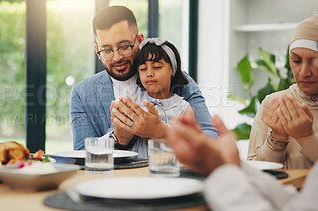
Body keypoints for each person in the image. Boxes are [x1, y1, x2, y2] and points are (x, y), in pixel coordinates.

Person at [70, 5, 217, 152]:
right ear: (97, 50)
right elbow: (81, 154)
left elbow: (213, 140)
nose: (117, 57)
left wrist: (160, 132)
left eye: (124, 46)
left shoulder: (178, 80)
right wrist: (118, 138)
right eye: (107, 50)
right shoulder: (82, 93)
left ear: (139, 40)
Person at [168, 109, 318, 210]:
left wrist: (218, 167)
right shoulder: (271, 104)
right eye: (297, 60)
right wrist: (233, 165)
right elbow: (297, 204)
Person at [248, 14, 318, 169]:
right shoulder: (274, 104)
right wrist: (277, 139)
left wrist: (307, 137)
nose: (304, 72)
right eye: (296, 60)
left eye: (314, 61)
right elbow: (254, 174)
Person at [112, 37, 191, 157]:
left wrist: (153, 132)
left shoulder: (183, 108)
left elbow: (188, 148)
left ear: (172, 70)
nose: (149, 73)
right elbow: (118, 145)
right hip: (134, 171)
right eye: (143, 69)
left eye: (157, 67)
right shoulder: (133, 102)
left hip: (166, 171)